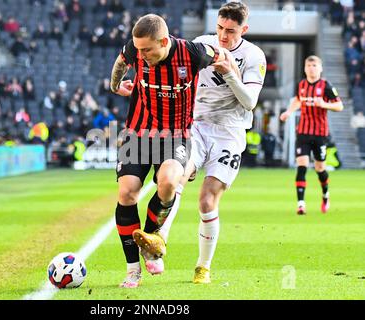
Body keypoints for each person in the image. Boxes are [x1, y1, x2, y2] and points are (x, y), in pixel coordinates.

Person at [133, 2, 266, 284]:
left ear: (244, 29)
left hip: (229, 132)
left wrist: (229, 71)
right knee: (173, 178)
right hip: (195, 126)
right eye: (219, 28)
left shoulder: (254, 56)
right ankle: (159, 241)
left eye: (230, 31)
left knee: (206, 200)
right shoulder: (201, 45)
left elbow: (250, 102)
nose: (223, 36)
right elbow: (164, 70)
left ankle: (203, 267)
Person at [110, 13, 225, 288]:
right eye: (139, 49)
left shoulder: (192, 53)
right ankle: (132, 269)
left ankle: (151, 240)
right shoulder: (136, 50)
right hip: (138, 131)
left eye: (147, 49)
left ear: (164, 41)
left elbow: (220, 55)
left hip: (175, 135)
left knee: (169, 182)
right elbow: (121, 60)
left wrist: (230, 74)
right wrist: (116, 85)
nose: (142, 54)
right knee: (127, 192)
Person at [280, 55, 344, 215]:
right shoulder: (301, 84)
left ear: (320, 68)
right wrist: (288, 112)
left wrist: (324, 104)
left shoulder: (326, 86)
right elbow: (298, 100)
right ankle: (301, 204)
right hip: (303, 132)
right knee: (301, 167)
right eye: (309, 66)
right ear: (305, 68)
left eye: (314, 65)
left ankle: (325, 195)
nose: (311, 68)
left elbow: (340, 106)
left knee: (320, 169)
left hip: (320, 134)